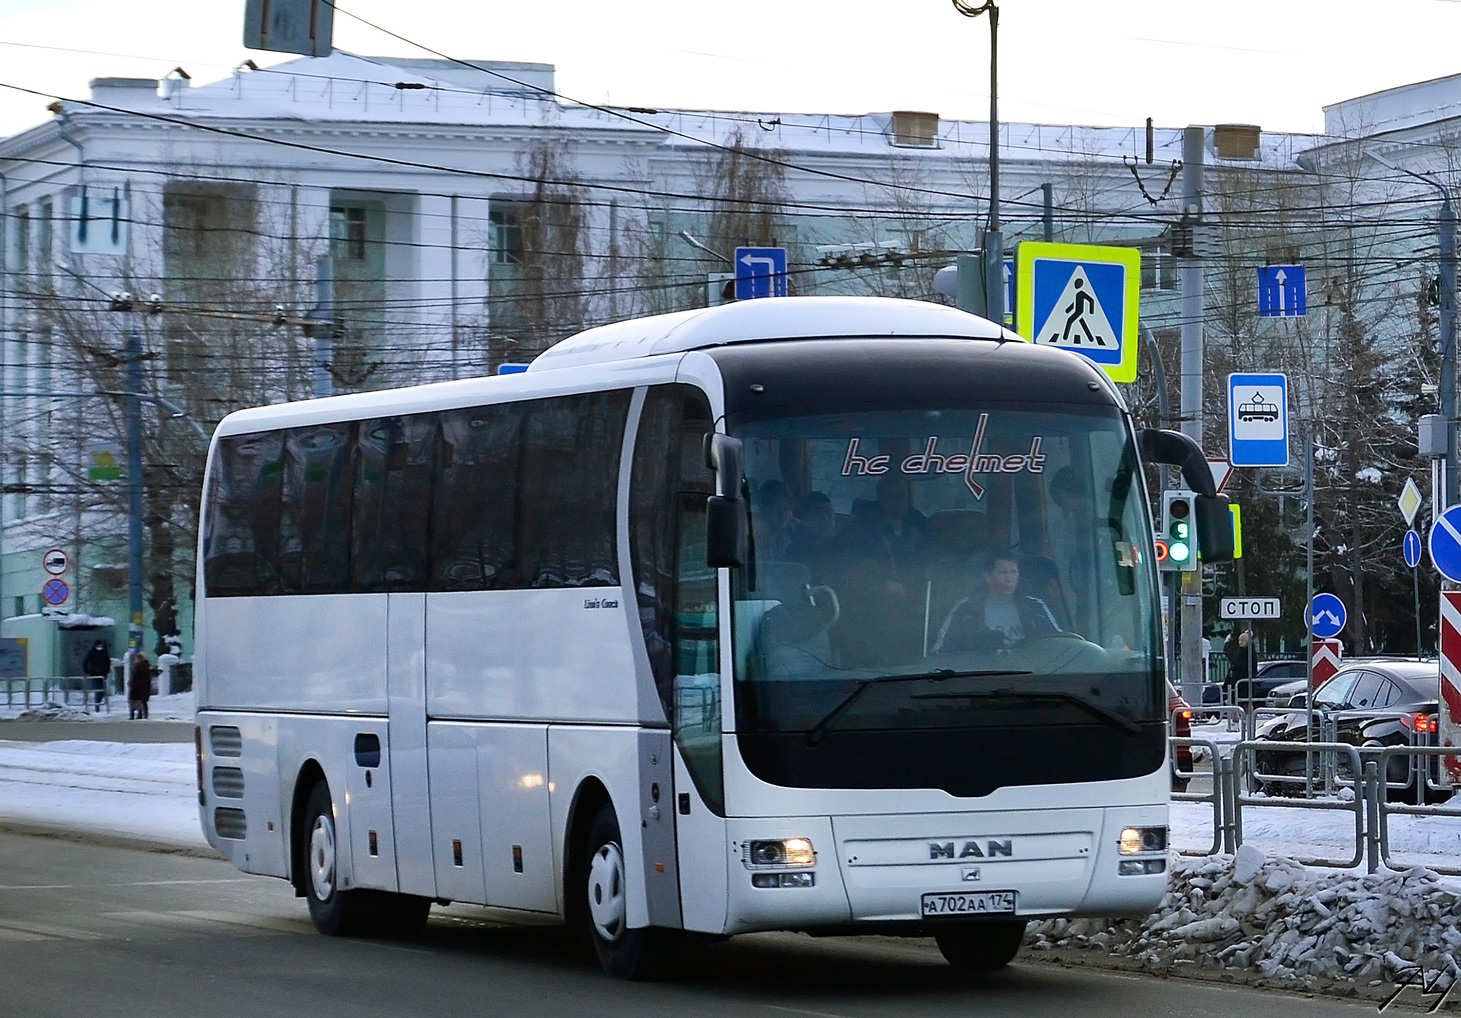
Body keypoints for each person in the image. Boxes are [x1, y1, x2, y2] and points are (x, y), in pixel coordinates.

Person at [934, 550, 1063, 654]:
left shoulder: (1036, 608)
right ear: (988, 577)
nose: (1009, 579)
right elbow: (941, 653)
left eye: (1013, 572)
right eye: (1003, 572)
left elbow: (1060, 645)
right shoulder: (965, 611)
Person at [1223, 628, 1253, 702]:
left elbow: (1242, 665)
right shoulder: (1239, 651)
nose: (1240, 642)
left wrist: (1234, 668)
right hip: (1237, 680)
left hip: (1243, 681)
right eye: (1239, 641)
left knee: (1245, 700)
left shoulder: (1249, 652)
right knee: (1235, 699)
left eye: (1243, 641)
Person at [82, 640, 111, 709]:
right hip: (94, 674)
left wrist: (107, 672)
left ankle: (97, 703)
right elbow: (85, 662)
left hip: (102, 675)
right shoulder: (91, 653)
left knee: (101, 691)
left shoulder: (104, 653)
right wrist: (87, 671)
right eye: (98, 646)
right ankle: (97, 705)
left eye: (100, 646)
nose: (99, 647)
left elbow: (108, 663)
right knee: (98, 689)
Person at [128, 650, 153, 720]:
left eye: (139, 658)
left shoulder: (144, 666)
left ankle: (140, 714)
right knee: (134, 700)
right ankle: (134, 714)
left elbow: (143, 676)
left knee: (141, 700)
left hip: (141, 686)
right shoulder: (138, 666)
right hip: (137, 686)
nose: (137, 659)